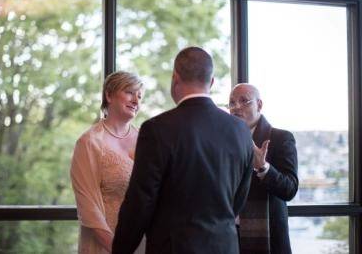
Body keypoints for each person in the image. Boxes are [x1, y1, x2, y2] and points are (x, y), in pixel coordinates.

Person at [112, 47, 254, 254]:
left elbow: (140, 202)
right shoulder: (240, 130)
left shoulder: (157, 129)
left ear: (175, 78)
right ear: (211, 81)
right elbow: (239, 198)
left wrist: (121, 249)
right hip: (225, 247)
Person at [70, 71, 145, 254]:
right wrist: (117, 248)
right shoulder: (89, 143)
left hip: (144, 243)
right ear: (109, 95)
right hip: (105, 245)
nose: (136, 100)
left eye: (140, 96)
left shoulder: (146, 139)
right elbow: (89, 208)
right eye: (129, 92)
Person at [229, 83, 298, 254]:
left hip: (267, 238)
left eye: (244, 101)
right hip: (229, 236)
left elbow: (289, 189)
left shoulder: (281, 138)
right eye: (231, 103)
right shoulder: (225, 140)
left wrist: (263, 167)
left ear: (259, 105)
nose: (236, 107)